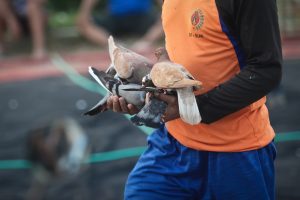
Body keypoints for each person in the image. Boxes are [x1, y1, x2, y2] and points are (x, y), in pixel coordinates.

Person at [107, 0, 282, 199]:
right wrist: (140, 93)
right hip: (172, 143)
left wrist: (191, 109)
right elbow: (188, 51)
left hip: (235, 153)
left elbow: (266, 70)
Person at [76, 0, 164, 50]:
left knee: (167, 20)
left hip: (142, 18)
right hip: (115, 18)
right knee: (82, 23)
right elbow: (83, 19)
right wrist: (84, 13)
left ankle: (146, 42)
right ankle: (113, 45)